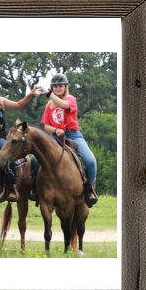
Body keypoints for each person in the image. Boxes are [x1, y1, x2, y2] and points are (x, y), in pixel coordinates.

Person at [30, 72, 98, 206]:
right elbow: (46, 126)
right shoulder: (49, 106)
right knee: (33, 159)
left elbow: (64, 106)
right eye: (55, 87)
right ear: (53, 87)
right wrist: (55, 130)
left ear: (65, 87)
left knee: (90, 160)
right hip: (55, 137)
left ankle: (90, 189)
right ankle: (34, 188)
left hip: (73, 135)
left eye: (61, 86)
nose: (58, 89)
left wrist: (49, 94)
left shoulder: (71, 99)